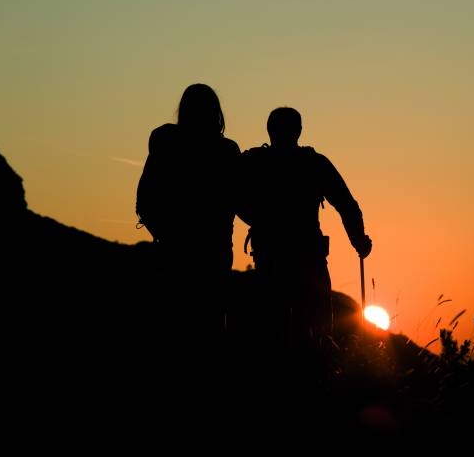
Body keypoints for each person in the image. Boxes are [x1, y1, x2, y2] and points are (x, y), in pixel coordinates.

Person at [240, 107, 372, 347]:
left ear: (269, 130)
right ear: (299, 131)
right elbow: (346, 204)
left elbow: (231, 197)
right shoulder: (314, 163)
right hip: (309, 259)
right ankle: (317, 378)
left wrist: (257, 219)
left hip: (270, 258)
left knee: (272, 332)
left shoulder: (254, 162)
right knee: (316, 332)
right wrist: (358, 238)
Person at [136, 83, 240, 341]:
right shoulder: (226, 150)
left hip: (173, 250)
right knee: (211, 323)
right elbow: (240, 199)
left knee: (173, 323)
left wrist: (162, 234)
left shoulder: (164, 141)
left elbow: (144, 197)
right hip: (213, 251)